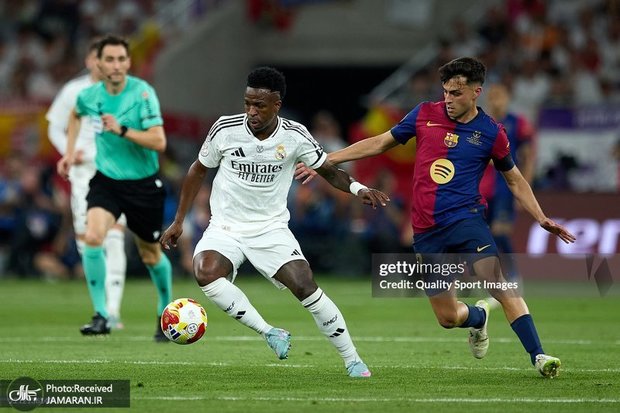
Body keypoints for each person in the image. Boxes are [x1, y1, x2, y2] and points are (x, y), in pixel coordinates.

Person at [297, 57, 576, 378]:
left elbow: (514, 179)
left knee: (497, 283)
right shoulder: (424, 114)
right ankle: (478, 317)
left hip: (467, 221)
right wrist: (326, 160)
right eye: (445, 92)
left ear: (476, 92)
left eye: (456, 93)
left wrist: (541, 217)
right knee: (448, 318)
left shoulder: (491, 132)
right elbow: (380, 142)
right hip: (427, 230)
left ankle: (539, 356)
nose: (448, 99)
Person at [160, 66, 389, 377]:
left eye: (259, 105)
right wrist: (178, 220)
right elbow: (197, 170)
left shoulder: (295, 135)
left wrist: (358, 188)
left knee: (305, 286)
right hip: (225, 226)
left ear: (276, 105)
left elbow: (328, 170)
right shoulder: (225, 129)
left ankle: (352, 359)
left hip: (271, 229)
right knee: (205, 272)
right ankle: (269, 332)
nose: (251, 112)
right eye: (247, 104)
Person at [56, 35, 172, 341]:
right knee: (93, 237)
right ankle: (102, 315)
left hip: (143, 184)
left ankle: (164, 310)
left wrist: (121, 130)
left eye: (121, 59)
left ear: (129, 62)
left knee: (150, 255)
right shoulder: (89, 95)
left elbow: (159, 141)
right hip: (106, 181)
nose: (116, 65)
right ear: (98, 63)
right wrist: (69, 153)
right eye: (110, 59)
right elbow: (75, 115)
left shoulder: (143, 93)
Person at [47, 38, 128, 329]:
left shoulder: (126, 91)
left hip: (115, 173)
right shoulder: (73, 91)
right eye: (100, 58)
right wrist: (69, 152)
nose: (105, 64)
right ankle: (101, 308)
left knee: (115, 238)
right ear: (90, 61)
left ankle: (113, 310)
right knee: (88, 241)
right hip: (83, 174)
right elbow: (54, 127)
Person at [479, 83, 536, 307]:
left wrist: (525, 188)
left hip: (505, 187)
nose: (495, 100)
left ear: (508, 97)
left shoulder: (518, 122)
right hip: (480, 188)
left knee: (501, 232)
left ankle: (514, 278)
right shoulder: (480, 122)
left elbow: (528, 156)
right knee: (484, 237)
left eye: (499, 96)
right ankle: (493, 280)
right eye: (492, 96)